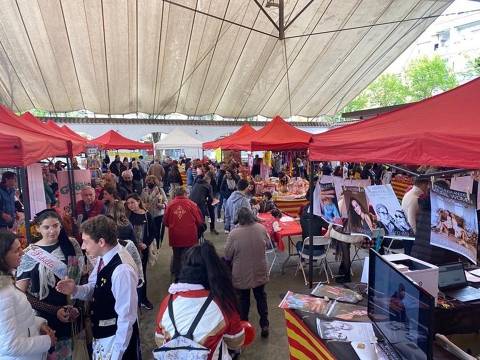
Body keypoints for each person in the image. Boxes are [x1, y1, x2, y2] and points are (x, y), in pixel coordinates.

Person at [56, 215, 141, 359]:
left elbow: (126, 318)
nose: (83, 247)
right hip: (105, 335)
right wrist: (75, 289)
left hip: (115, 340)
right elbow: (94, 287)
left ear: (101, 242)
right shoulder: (104, 257)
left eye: (86, 242)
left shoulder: (122, 270)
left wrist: (117, 354)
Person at [154, 241, 245, 359]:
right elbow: (236, 341)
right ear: (216, 271)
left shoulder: (168, 302)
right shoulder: (223, 303)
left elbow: (159, 340)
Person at [16, 210, 83, 359]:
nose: (52, 231)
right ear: (38, 228)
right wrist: (54, 310)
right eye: (46, 227)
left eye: (55, 226)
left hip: (70, 311)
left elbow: (77, 275)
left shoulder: (71, 244)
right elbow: (21, 293)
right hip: (43, 317)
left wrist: (74, 306)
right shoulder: (29, 254)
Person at [0, 231, 56, 360]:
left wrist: (40, 324)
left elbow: (19, 319)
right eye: (16, 251)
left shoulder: (7, 282)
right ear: (2, 257)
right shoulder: (3, 293)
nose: (22, 252)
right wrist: (47, 342)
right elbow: (9, 345)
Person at [225, 208, 270, 338]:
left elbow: (228, 255)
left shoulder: (234, 234)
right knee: (261, 296)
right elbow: (267, 244)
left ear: (239, 220)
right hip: (259, 269)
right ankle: (264, 325)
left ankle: (243, 327)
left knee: (243, 300)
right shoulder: (261, 228)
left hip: (241, 272)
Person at [163, 187, 204, 279]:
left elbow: (165, 221)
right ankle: (190, 276)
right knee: (190, 256)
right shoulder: (192, 204)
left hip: (175, 237)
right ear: (185, 194)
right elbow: (200, 221)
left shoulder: (170, 205)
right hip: (190, 236)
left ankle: (178, 277)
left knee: (177, 257)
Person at [125, 193, 156, 310]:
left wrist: (146, 244)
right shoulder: (127, 215)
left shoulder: (147, 216)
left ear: (139, 201)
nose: (130, 205)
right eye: (128, 203)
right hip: (129, 249)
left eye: (132, 202)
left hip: (142, 250)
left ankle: (143, 299)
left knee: (141, 274)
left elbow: (153, 232)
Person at [402, 177, 430, 255]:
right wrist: (417, 238)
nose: (428, 187)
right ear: (424, 184)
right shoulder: (415, 198)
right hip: (410, 235)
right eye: (428, 185)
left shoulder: (410, 194)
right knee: (409, 257)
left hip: (407, 232)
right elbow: (411, 221)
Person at [141, 175, 168, 246]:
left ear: (155, 182)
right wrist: (143, 204)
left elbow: (166, 201)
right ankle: (150, 246)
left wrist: (162, 205)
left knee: (157, 232)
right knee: (149, 232)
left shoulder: (160, 190)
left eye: (152, 181)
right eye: (148, 181)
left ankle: (157, 246)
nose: (150, 182)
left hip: (158, 214)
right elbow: (141, 201)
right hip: (148, 215)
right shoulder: (144, 190)